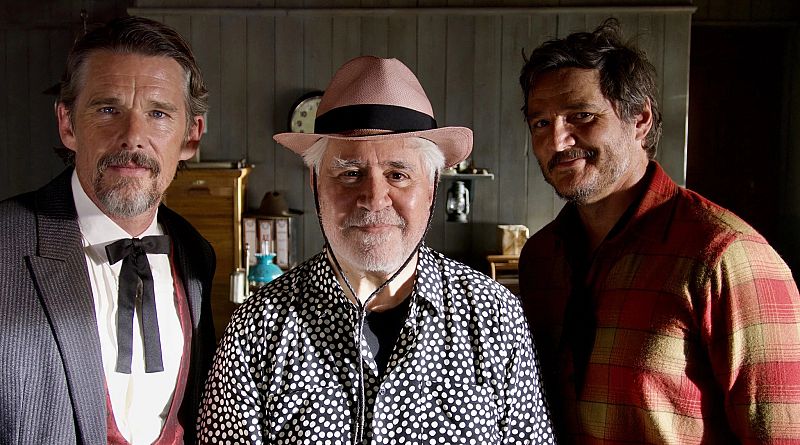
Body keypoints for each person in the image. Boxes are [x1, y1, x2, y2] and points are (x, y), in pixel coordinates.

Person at [198, 56, 555, 444]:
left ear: (432, 186)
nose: (373, 198)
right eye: (350, 173)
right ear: (316, 182)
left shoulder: (494, 316)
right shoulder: (255, 329)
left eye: (398, 174)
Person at [518, 18, 800, 444]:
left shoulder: (725, 255)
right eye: (541, 123)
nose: (557, 141)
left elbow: (780, 433)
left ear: (640, 118)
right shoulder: (541, 258)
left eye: (581, 116)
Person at [0, 16, 216, 444]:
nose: (132, 137)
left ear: (191, 136)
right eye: (107, 110)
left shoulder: (196, 253)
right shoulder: (6, 243)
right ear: (67, 124)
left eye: (158, 113)